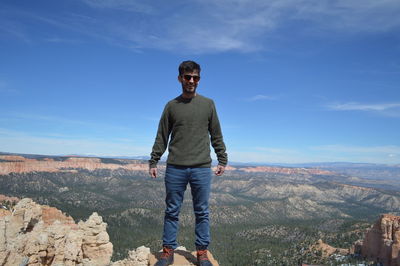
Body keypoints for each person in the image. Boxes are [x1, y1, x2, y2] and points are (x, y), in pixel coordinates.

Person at [149, 60, 228, 266]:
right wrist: (154, 160)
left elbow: (216, 134)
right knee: (172, 210)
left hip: (201, 166)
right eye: (187, 77)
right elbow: (162, 136)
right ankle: (168, 251)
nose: (191, 81)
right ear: (180, 79)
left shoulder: (208, 104)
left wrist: (222, 158)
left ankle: (202, 252)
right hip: (175, 166)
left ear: (199, 80)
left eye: (195, 77)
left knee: (201, 211)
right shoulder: (171, 106)